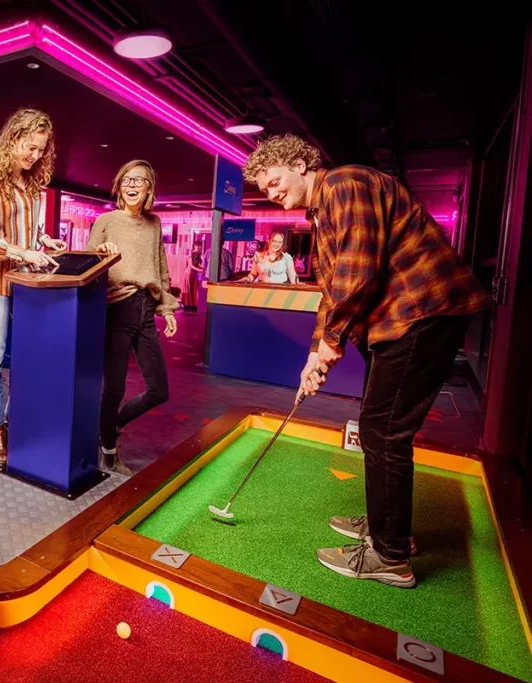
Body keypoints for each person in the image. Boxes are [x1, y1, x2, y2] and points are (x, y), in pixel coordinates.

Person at [244, 134, 489, 588]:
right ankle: (388, 526)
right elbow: (332, 290)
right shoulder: (322, 213)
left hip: (421, 312)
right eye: (265, 190)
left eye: (275, 182)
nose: (272, 194)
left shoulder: (343, 183)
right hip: (406, 319)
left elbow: (359, 271)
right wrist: (316, 352)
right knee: (381, 426)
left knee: (383, 429)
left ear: (300, 164)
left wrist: (332, 342)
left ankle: (390, 556)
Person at [0, 108, 68, 464]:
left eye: (41, 150)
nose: (34, 155)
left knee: (27, 357)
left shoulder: (35, 185)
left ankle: (11, 418)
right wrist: (25, 250)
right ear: (12, 138)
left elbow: (29, 230)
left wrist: (45, 240)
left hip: (25, 283)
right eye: (29, 145)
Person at [88, 160, 178, 475]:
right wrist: (103, 253)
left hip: (145, 308)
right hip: (117, 308)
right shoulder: (106, 220)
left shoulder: (154, 223)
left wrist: (165, 308)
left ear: (149, 187)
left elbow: (161, 268)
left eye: (139, 179)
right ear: (119, 185)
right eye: (126, 179)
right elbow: (87, 263)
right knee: (113, 389)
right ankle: (109, 451)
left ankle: (107, 428)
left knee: (159, 391)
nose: (132, 184)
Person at [182, 243, 204, 310]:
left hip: (195, 273)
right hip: (189, 273)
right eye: (198, 245)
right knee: (188, 288)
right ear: (194, 246)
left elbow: (199, 264)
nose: (199, 247)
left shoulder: (199, 255)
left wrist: (203, 268)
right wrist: (200, 270)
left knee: (194, 289)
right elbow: (190, 265)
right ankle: (187, 304)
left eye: (200, 246)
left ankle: (193, 305)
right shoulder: (191, 254)